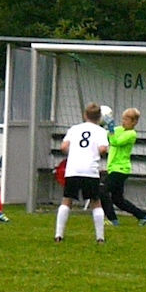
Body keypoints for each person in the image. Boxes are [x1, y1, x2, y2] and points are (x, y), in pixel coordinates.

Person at [54, 102, 109, 243]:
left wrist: (74, 152)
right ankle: (100, 238)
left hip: (73, 169)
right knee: (95, 202)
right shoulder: (101, 131)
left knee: (67, 200)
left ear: (85, 115)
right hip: (90, 170)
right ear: (99, 118)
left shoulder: (74, 129)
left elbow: (63, 147)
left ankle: (58, 235)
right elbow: (103, 149)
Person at [101, 108, 146, 226]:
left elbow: (116, 142)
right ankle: (143, 216)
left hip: (120, 169)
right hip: (114, 168)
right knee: (118, 200)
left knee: (102, 191)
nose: (124, 122)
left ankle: (113, 220)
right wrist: (102, 125)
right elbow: (105, 135)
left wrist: (111, 128)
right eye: (123, 119)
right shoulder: (119, 129)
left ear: (134, 122)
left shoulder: (131, 134)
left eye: (127, 120)